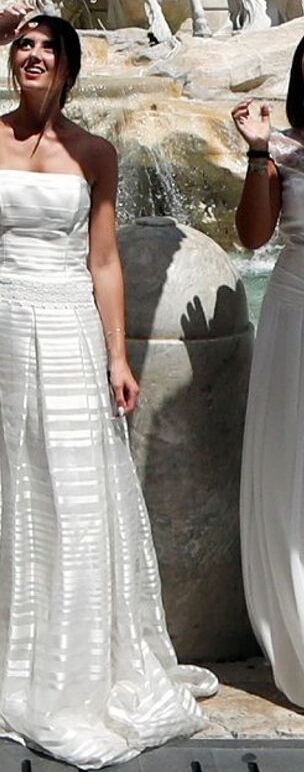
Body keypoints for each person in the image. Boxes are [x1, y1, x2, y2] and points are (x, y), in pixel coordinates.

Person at [0, 10, 213, 766]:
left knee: (71, 480)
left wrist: (118, 356)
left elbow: (104, 260)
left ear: (67, 67)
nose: (32, 55)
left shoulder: (96, 151)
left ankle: (73, 651)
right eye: (25, 47)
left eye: (46, 48)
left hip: (68, 322)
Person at [233, 38, 304, 703]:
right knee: (289, 470)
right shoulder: (279, 150)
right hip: (295, 310)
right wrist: (258, 153)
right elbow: (252, 237)